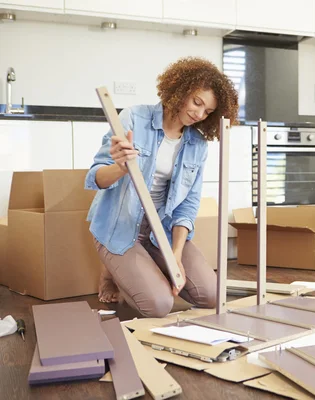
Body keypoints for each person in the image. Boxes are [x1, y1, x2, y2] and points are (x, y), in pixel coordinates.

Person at [84, 57, 239, 318]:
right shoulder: (134, 117)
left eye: (208, 111)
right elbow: (94, 178)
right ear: (180, 90)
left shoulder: (197, 144)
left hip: (162, 229)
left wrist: (175, 255)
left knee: (211, 295)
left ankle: (146, 264)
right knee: (158, 305)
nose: (199, 114)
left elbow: (188, 206)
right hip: (119, 226)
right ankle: (112, 270)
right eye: (197, 102)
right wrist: (120, 167)